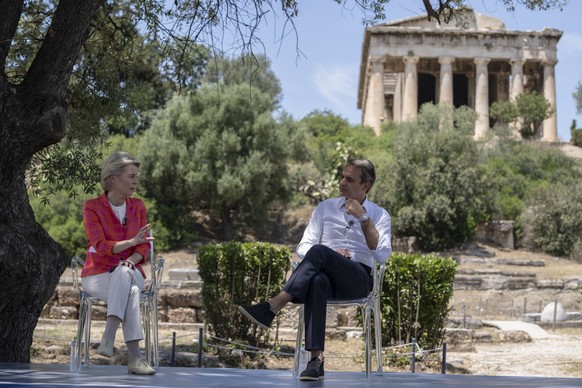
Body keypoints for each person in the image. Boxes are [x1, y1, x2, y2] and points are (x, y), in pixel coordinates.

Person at [239, 158, 391, 381]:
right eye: (342, 177)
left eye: (350, 179)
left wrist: (363, 217)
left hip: (358, 280)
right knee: (318, 278)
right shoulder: (325, 208)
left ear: (365, 185)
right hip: (325, 277)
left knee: (320, 252)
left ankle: (274, 304)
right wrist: (331, 254)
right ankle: (315, 361)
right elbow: (304, 246)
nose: (342, 183)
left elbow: (382, 254)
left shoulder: (379, 215)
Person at [81, 151, 156, 375]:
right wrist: (131, 242)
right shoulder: (92, 207)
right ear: (113, 178)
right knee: (132, 292)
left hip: (132, 270)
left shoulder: (138, 206)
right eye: (131, 176)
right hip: (97, 274)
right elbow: (100, 245)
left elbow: (144, 247)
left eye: (136, 176)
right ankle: (135, 359)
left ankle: (108, 335)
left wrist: (132, 259)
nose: (136, 181)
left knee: (124, 273)